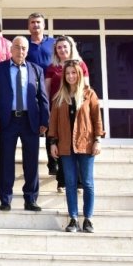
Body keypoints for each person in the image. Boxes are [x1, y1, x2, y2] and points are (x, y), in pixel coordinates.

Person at [0, 36, 49, 212]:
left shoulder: (36, 70)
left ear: (27, 51)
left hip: (30, 121)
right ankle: (5, 199)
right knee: (5, 161)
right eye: (17, 47)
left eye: (24, 48)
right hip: (7, 121)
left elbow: (42, 97)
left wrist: (44, 120)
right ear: (11, 49)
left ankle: (30, 199)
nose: (20, 51)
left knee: (31, 162)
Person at [47, 60, 104, 233]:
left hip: (85, 144)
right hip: (65, 146)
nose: (71, 76)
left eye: (73, 73)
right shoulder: (59, 96)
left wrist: (98, 139)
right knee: (70, 183)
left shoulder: (89, 94)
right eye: (68, 73)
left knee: (87, 183)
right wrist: (53, 143)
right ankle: (73, 219)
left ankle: (88, 219)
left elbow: (97, 118)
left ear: (79, 74)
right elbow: (53, 123)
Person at [45, 35, 90, 190]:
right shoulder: (52, 67)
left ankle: (79, 181)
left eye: (65, 46)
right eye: (59, 47)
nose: (62, 49)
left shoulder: (81, 65)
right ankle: (62, 179)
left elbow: (86, 89)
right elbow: (46, 91)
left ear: (71, 48)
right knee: (61, 145)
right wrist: (47, 111)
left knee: (75, 145)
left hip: (75, 110)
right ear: (55, 51)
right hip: (57, 111)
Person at [25, 12, 57, 175]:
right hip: (30, 91)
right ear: (28, 26)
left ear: (44, 25)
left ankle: (53, 164)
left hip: (51, 91)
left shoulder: (53, 43)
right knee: (33, 128)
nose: (36, 25)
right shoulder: (24, 44)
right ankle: (31, 166)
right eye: (32, 22)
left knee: (51, 127)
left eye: (38, 22)